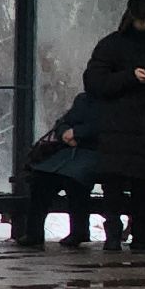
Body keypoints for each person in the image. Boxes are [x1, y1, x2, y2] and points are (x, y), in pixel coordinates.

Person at [83, 0, 145, 251]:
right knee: (115, 187)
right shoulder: (112, 46)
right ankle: (115, 234)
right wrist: (130, 78)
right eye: (140, 20)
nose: (143, 24)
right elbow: (94, 83)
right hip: (120, 130)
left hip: (144, 130)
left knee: (140, 187)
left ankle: (140, 236)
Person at [14, 91, 106, 248]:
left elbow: (105, 126)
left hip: (96, 153)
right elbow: (63, 121)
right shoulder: (83, 99)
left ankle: (79, 231)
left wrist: (77, 133)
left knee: (75, 179)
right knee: (40, 177)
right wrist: (64, 133)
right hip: (69, 153)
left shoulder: (115, 102)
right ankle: (33, 232)